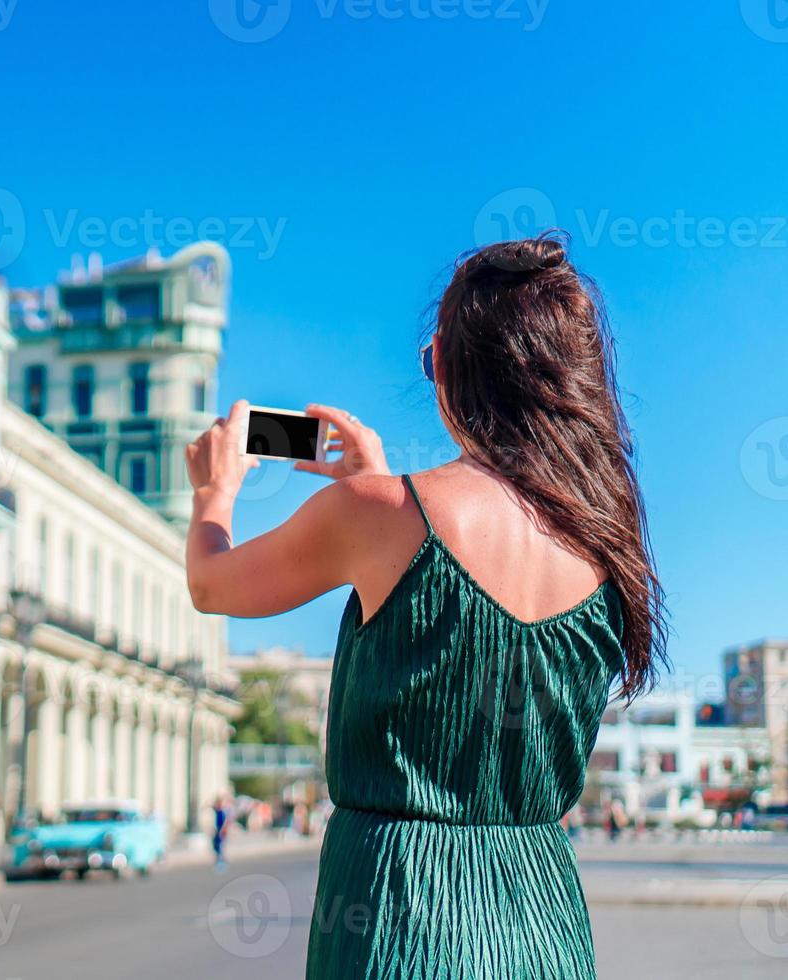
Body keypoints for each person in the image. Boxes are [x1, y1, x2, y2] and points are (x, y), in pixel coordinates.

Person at [184, 235, 665, 979]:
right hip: (544, 918)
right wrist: (376, 488)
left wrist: (215, 489)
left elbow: (213, 585)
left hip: (399, 915)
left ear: (444, 365)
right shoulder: (608, 541)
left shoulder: (376, 515)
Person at [212, 795, 231, 872]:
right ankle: (219, 862)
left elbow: (224, 823)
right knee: (216, 847)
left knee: (220, 848)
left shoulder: (222, 812)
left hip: (220, 833)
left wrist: (221, 831)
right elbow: (211, 806)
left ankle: (221, 863)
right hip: (218, 832)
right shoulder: (217, 811)